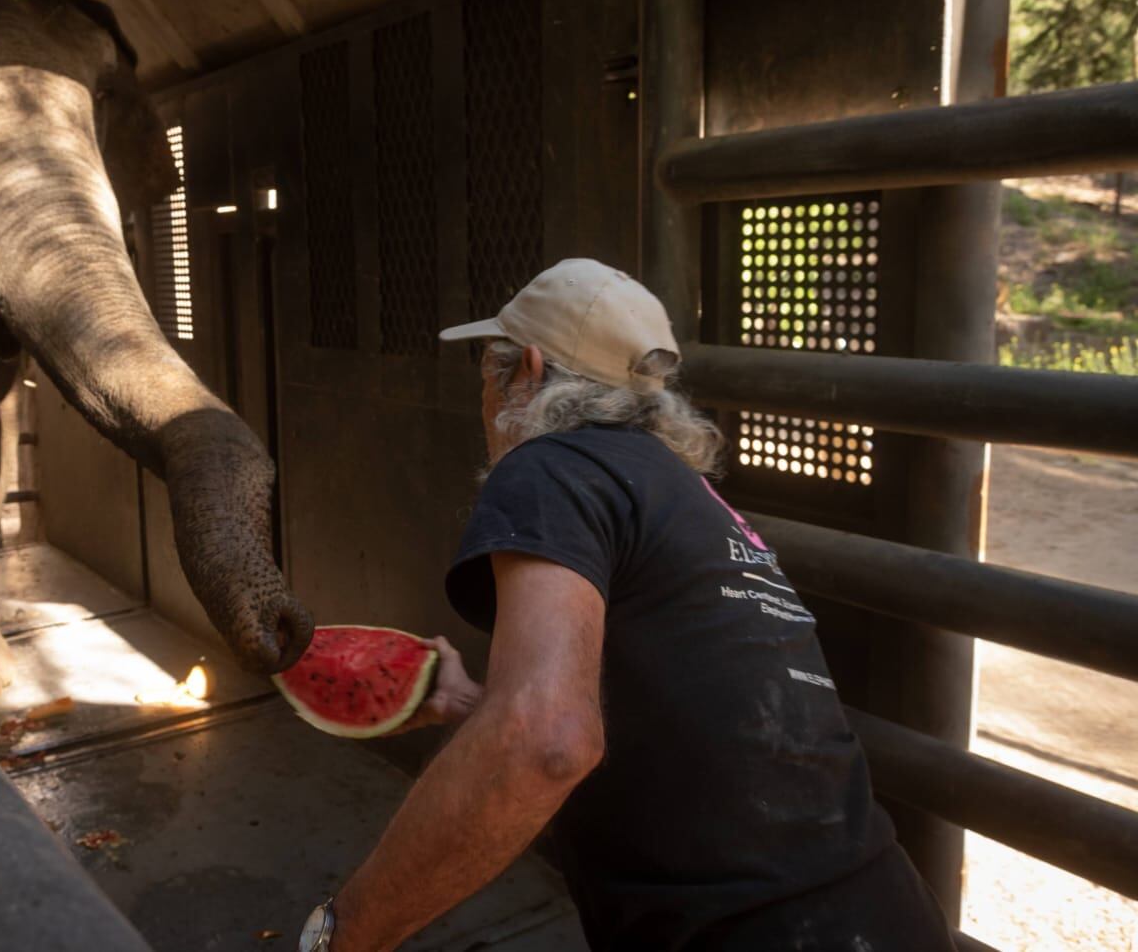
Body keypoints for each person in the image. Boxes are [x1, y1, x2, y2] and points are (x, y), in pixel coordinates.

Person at [295, 260, 953, 951]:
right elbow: (674, 719)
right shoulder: (687, 494)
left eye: (486, 370)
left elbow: (546, 742)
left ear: (526, 370)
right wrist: (475, 707)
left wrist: (346, 933)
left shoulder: (546, 468)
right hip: (884, 910)